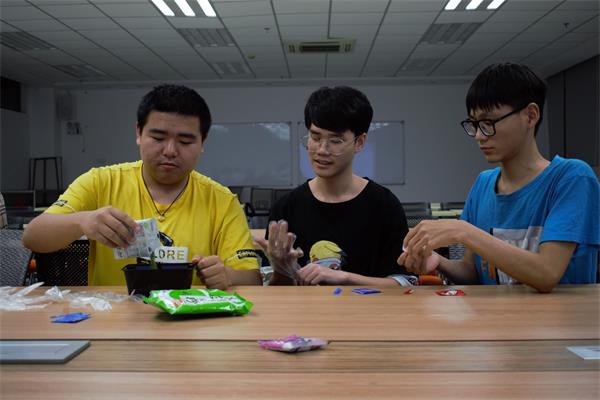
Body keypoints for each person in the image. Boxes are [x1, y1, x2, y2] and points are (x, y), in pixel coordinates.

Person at [23, 85, 261, 289]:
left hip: (192, 320)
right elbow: (33, 236)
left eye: (185, 141)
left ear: (202, 142)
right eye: (158, 138)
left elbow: (253, 279)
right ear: (138, 133)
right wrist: (82, 221)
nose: (170, 151)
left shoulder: (222, 201)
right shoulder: (100, 182)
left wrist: (228, 276)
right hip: (112, 318)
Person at [399, 63, 599, 293]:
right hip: (497, 316)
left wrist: (462, 231)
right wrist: (437, 262)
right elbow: (472, 273)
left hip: (561, 317)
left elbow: (547, 273)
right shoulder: (483, 185)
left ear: (530, 116)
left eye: (488, 123)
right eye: (474, 124)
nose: (479, 136)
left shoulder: (572, 178)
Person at [256, 86, 412, 286]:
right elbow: (275, 290)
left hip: (368, 307)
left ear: (359, 142)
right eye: (315, 137)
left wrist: (345, 277)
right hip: (305, 308)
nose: (322, 150)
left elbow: (403, 283)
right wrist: (281, 270)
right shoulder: (286, 207)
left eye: (336, 141)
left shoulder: (384, 205)